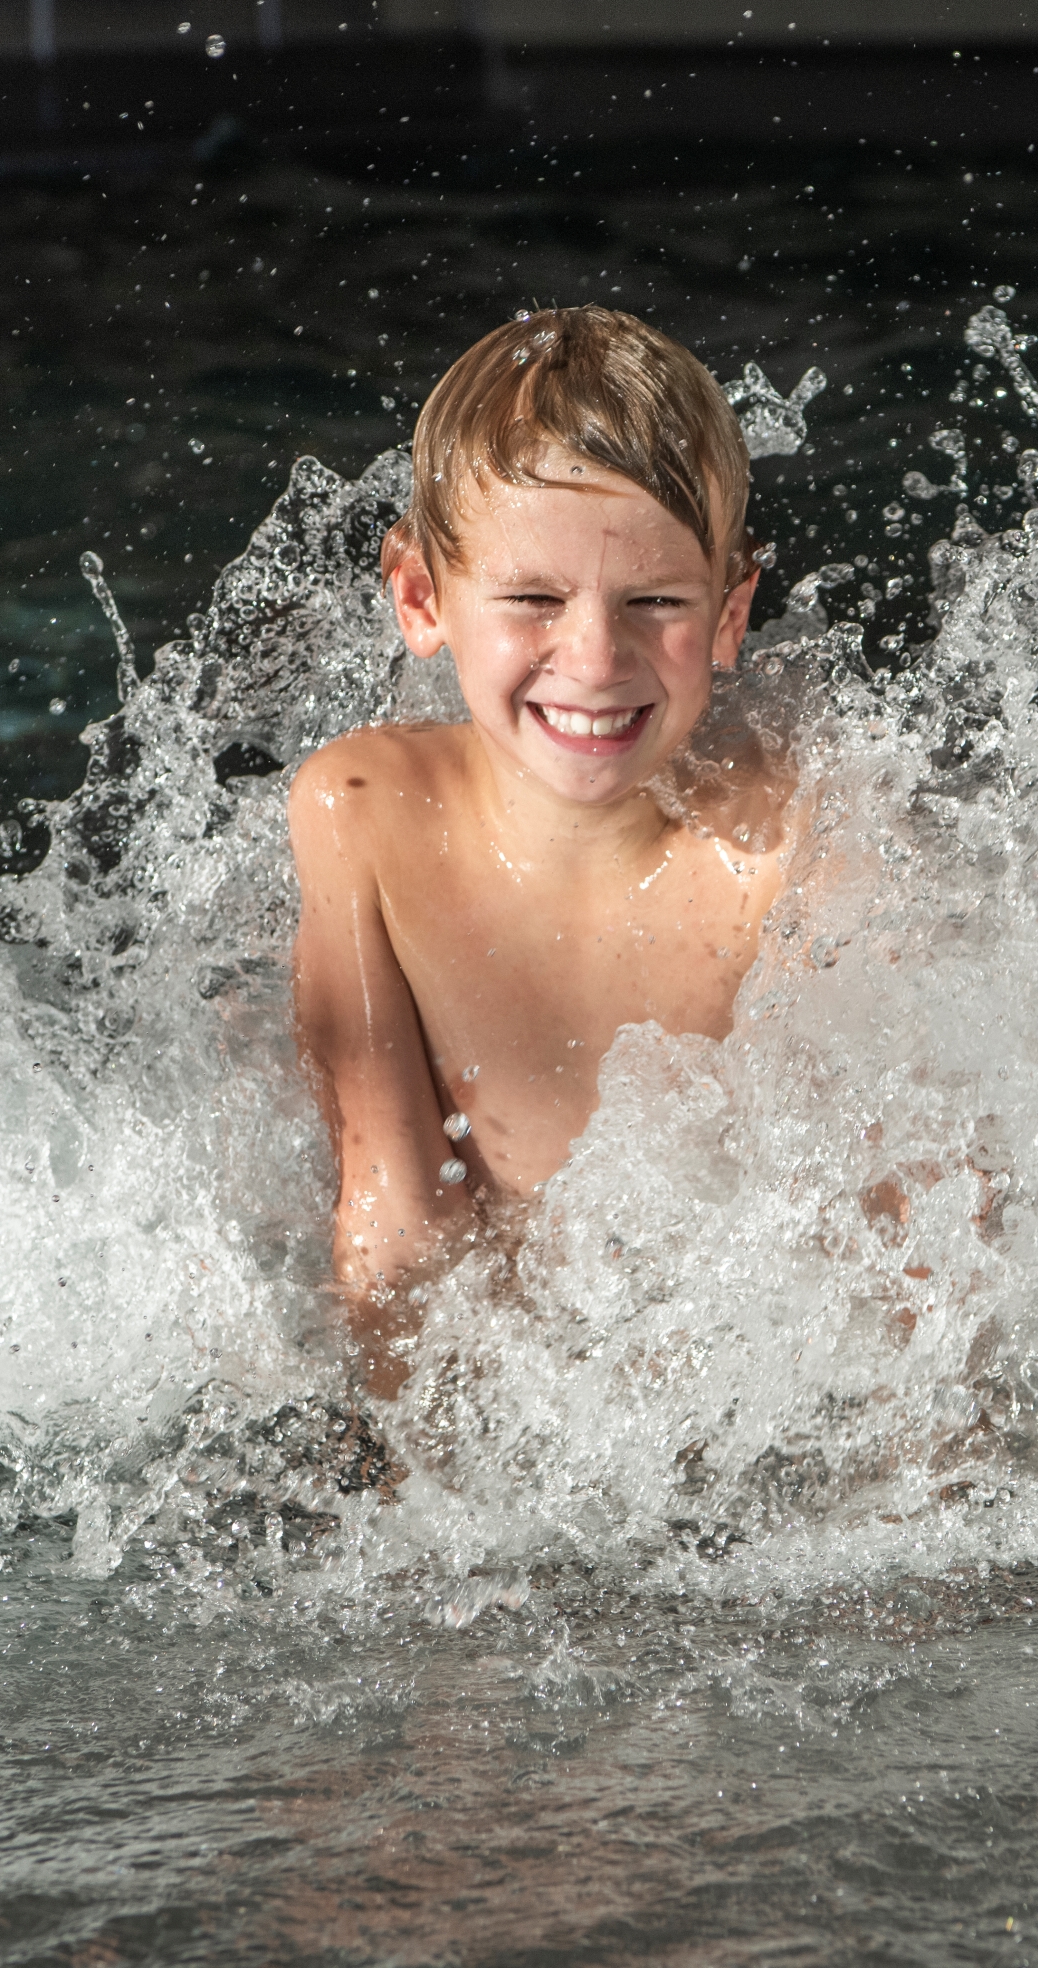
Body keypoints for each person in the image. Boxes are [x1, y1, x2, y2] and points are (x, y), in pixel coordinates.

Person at [288, 308, 790, 1395]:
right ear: (421, 597)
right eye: (531, 599)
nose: (596, 659)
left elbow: (902, 1243)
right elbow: (392, 1219)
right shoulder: (366, 812)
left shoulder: (783, 855)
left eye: (656, 601)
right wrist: (412, 1476)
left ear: (730, 612)